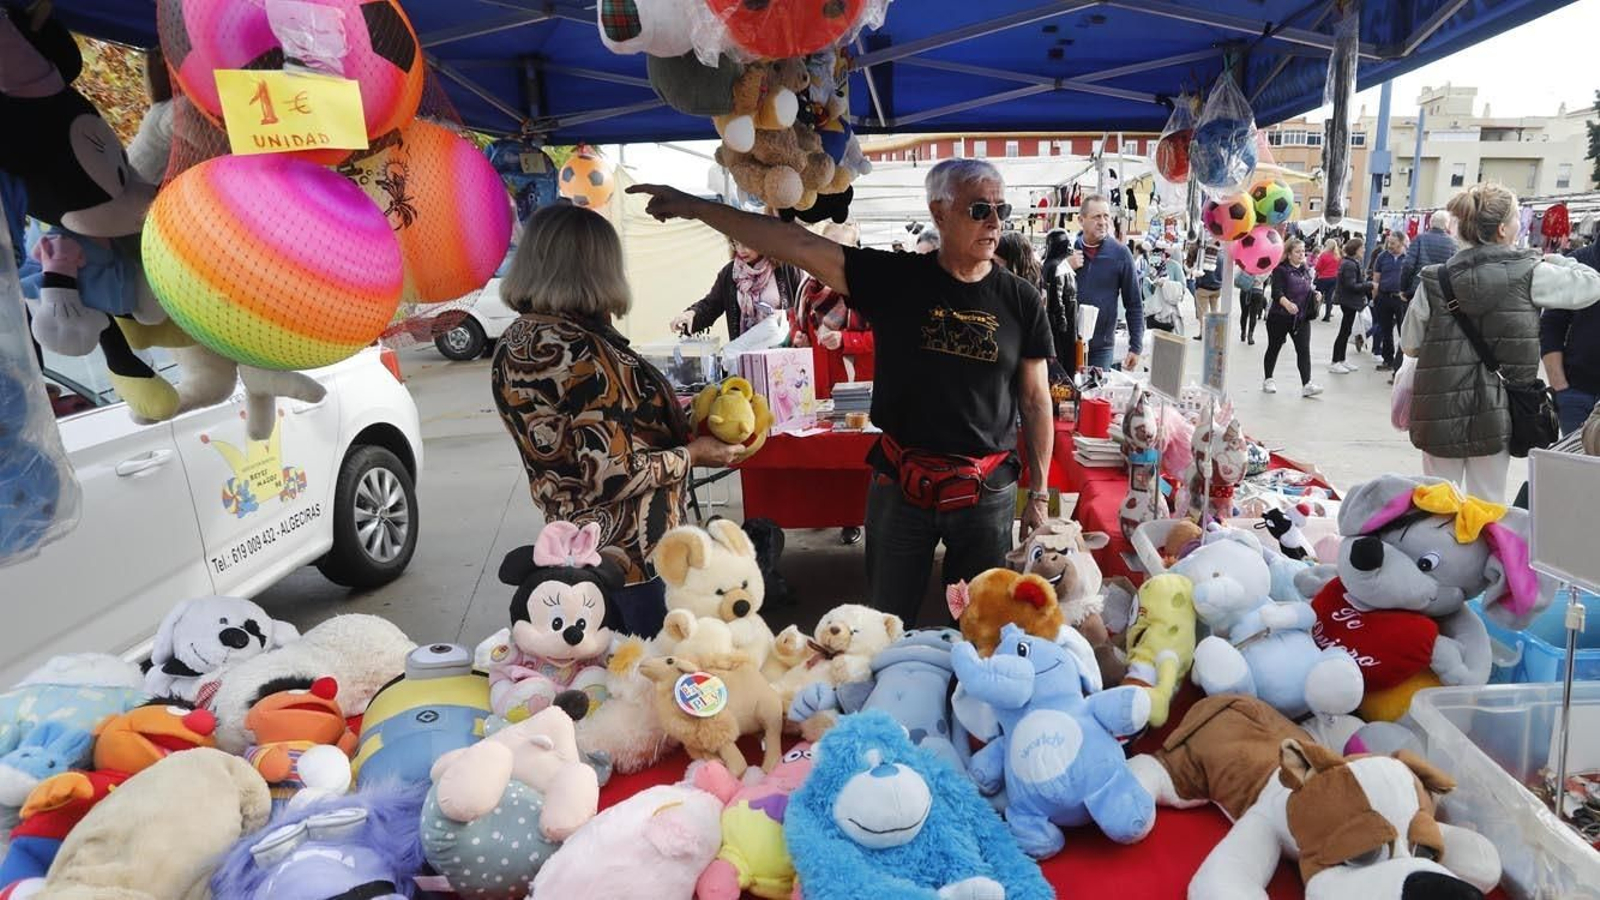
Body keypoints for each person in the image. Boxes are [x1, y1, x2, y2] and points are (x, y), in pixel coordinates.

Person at [628, 159, 1056, 627]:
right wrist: (695, 206)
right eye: (979, 209)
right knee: (883, 624)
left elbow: (1036, 402)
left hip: (985, 492)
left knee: (984, 627)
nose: (995, 222)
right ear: (939, 211)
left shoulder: (1020, 299)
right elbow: (795, 244)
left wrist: (1038, 493)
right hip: (902, 486)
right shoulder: (896, 279)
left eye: (1001, 208)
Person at [492, 205, 744, 638]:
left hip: (570, 544)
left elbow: (585, 441)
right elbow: (612, 471)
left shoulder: (516, 340)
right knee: (648, 676)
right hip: (630, 558)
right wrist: (693, 454)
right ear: (595, 268)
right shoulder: (581, 353)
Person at [1402, 183, 1600, 501]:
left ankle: (1434, 552)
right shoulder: (1533, 273)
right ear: (1504, 229)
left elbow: (1410, 345)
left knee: (1437, 504)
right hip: (1499, 412)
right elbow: (1593, 285)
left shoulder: (1434, 279)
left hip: (1437, 407)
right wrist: (1558, 259)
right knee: (1487, 504)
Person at [790, 221, 874, 401]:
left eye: (841, 249)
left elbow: (883, 336)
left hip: (857, 387)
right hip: (816, 385)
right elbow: (795, 322)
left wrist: (845, 339)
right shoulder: (806, 287)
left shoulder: (867, 288)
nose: (832, 255)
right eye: (827, 246)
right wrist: (798, 336)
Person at [668, 237, 803, 341]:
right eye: (735, 243)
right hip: (745, 353)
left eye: (746, 243)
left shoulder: (786, 267)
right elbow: (711, 306)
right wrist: (691, 314)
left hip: (784, 351)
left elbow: (804, 307)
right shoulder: (729, 274)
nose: (741, 250)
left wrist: (784, 315)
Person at [1070, 194, 1143, 369]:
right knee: (1066, 395)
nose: (1103, 222)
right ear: (1081, 220)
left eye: (1106, 216)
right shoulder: (1067, 252)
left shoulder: (1121, 254)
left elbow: (1134, 304)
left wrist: (1136, 346)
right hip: (1068, 345)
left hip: (1101, 348)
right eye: (1096, 217)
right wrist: (1064, 267)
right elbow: (1043, 290)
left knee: (1097, 395)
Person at [1541, 240, 1600, 435]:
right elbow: (1551, 324)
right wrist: (1559, 384)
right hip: (1578, 393)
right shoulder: (1577, 262)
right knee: (1577, 464)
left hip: (1575, 393)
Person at [1262, 238, 1323, 398]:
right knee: (1274, 347)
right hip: (1279, 317)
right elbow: (1277, 292)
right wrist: (1286, 303)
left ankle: (1307, 384)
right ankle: (1268, 379)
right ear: (1289, 254)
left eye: (1303, 251)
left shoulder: (1305, 270)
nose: (1301, 254)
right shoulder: (1280, 270)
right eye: (1297, 251)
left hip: (1301, 318)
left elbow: (1308, 290)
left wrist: (1315, 295)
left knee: (1303, 350)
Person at [1329, 237, 1373, 374]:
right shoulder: (1350, 264)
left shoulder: (1352, 263)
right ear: (1356, 249)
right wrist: (1369, 285)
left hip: (1349, 301)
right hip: (1348, 301)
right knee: (1344, 331)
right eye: (1362, 247)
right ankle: (1335, 361)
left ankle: (1341, 359)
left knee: (1346, 331)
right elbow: (1351, 285)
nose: (1364, 250)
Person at [1040, 228, 1078, 373]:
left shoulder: (1053, 265)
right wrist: (1062, 324)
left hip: (1064, 321)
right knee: (1064, 363)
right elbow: (1056, 299)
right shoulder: (1055, 266)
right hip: (1061, 326)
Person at [1370, 232, 1407, 372]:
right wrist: (1375, 298)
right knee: (1386, 330)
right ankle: (1388, 360)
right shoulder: (1382, 257)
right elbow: (1376, 278)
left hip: (1401, 299)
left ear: (1402, 242)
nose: (1390, 245)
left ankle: (1401, 363)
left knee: (1403, 331)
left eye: (1393, 242)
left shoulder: (1408, 257)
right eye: (1389, 242)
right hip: (1384, 297)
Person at [1401, 209, 1457, 298]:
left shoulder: (1419, 239)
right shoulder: (1453, 244)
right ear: (1447, 225)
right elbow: (1454, 270)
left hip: (1417, 289)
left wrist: (1403, 288)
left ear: (1430, 222)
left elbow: (1408, 265)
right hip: (1441, 292)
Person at [1190, 241, 1221, 340]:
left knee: (1203, 313)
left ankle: (1204, 334)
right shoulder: (1220, 254)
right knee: (1214, 311)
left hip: (1204, 287)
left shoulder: (1203, 255)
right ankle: (1215, 332)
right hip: (1217, 287)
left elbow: (1196, 270)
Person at [1236, 265, 1266, 345]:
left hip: (1245, 287)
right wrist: (1258, 279)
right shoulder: (1265, 259)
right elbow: (1267, 272)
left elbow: (1239, 270)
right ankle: (1250, 336)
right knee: (1253, 314)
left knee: (1244, 313)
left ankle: (1243, 333)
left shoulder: (1247, 257)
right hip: (1258, 289)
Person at [1313, 237, 1340, 321]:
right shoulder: (1337, 256)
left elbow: (1317, 267)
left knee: (1318, 296)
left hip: (1323, 278)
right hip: (1334, 278)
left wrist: (1319, 272)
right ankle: (1327, 316)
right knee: (1329, 297)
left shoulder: (1323, 255)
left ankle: (1314, 312)